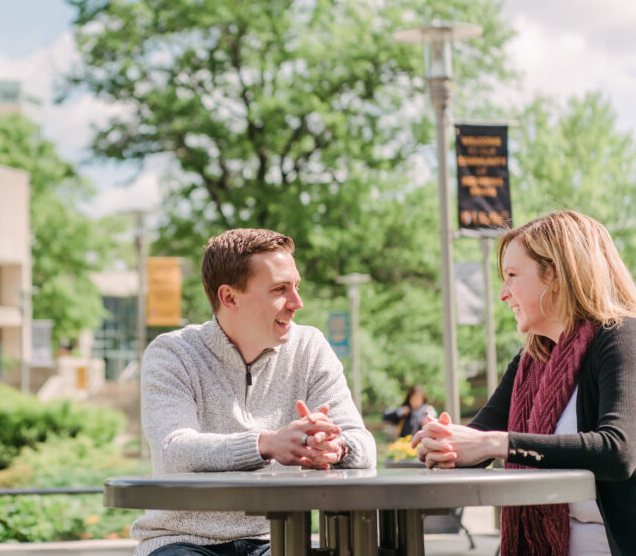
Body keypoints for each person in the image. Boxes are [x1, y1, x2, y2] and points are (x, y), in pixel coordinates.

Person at [131, 228, 376, 556]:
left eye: (296, 287)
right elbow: (173, 451)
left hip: (277, 540)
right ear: (229, 297)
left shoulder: (310, 347)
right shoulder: (172, 353)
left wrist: (335, 449)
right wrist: (265, 444)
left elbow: (363, 444)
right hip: (181, 540)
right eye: (280, 289)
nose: (297, 303)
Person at [412, 211, 636, 556]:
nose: (503, 293)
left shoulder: (620, 337)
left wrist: (494, 444)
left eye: (512, 276)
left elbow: (618, 452)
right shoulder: (530, 361)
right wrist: (445, 444)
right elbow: (479, 441)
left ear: (557, 276)